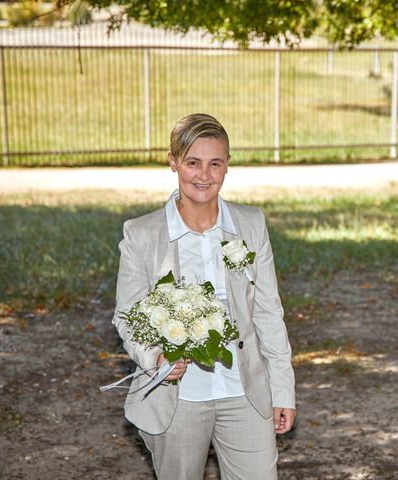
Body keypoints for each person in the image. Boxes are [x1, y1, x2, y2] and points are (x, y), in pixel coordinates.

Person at [112, 113, 296, 479]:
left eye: (215, 164)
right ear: (173, 162)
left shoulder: (251, 224)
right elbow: (126, 316)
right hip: (177, 397)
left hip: (245, 393)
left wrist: (282, 390)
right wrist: (156, 358)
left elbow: (268, 314)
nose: (204, 175)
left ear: (227, 166)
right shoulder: (142, 234)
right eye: (192, 163)